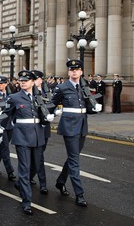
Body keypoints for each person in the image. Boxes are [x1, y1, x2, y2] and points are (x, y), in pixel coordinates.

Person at [51, 59, 101, 207]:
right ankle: (79, 194)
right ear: (68, 72)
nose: (74, 71)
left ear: (81, 72)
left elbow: (87, 107)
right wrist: (51, 114)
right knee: (74, 160)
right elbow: (51, 104)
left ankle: (60, 181)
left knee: (74, 157)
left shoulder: (84, 87)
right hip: (69, 126)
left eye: (77, 69)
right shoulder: (62, 87)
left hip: (82, 126)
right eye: (72, 70)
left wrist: (95, 108)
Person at [3, 70, 53, 215]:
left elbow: (42, 115)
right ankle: (27, 202)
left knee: (36, 166)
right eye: (21, 80)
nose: (23, 82)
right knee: (24, 169)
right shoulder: (14, 97)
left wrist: (48, 117)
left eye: (26, 80)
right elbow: (6, 115)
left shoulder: (39, 97)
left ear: (33, 82)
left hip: (37, 136)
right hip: (22, 136)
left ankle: (20, 185)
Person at [29, 70, 50, 194]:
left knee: (39, 156)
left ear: (41, 80)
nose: (33, 81)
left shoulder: (46, 93)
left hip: (44, 129)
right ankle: (42, 183)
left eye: (35, 79)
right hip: (31, 129)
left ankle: (30, 178)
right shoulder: (27, 93)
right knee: (35, 157)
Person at [0, 76, 16, 181]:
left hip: (9, 124)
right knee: (5, 147)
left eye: (2, 83)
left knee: (3, 147)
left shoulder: (10, 95)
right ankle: (10, 171)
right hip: (0, 124)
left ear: (6, 84)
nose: (0, 85)